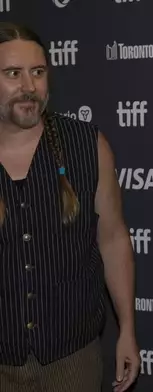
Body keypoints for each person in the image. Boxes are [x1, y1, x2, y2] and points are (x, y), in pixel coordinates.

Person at [0, 23, 140, 392]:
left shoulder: (87, 145)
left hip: (72, 361)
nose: (29, 86)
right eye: (13, 73)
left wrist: (127, 329)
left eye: (38, 72)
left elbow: (112, 239)